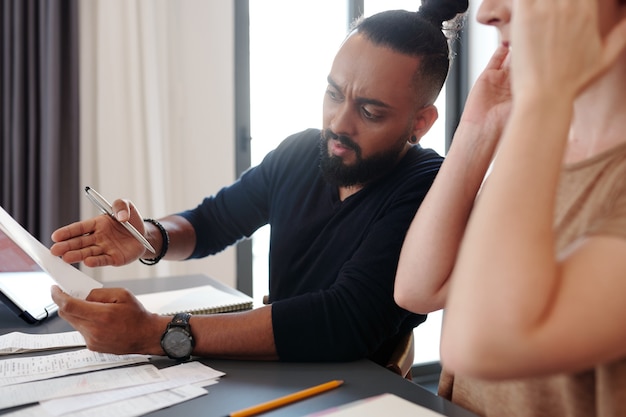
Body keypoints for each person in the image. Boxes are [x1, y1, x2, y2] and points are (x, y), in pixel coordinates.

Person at [49, 2, 469, 365]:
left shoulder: (428, 188)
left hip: (357, 388)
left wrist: (154, 333)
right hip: (280, 370)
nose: (338, 124)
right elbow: (212, 221)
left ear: (421, 122)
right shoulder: (302, 151)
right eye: (334, 94)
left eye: (370, 112)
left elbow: (342, 320)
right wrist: (149, 238)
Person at [395, 0, 626, 415]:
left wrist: (545, 98)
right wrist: (478, 129)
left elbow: (478, 345)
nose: (487, 12)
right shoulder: (544, 154)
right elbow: (418, 287)